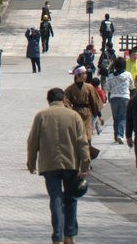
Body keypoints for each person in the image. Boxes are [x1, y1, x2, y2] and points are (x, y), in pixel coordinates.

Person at [27, 87, 91, 244]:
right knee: (70, 198)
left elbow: (32, 141)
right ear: (63, 100)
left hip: (50, 164)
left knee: (55, 199)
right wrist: (85, 163)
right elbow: (82, 141)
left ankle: (57, 236)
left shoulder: (41, 116)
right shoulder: (74, 116)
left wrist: (31, 162)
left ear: (49, 100)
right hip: (71, 163)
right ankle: (69, 235)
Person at [64, 66, 103, 159]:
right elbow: (65, 101)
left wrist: (98, 114)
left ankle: (87, 158)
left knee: (88, 137)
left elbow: (95, 101)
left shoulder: (89, 87)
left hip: (86, 114)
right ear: (77, 75)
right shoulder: (70, 89)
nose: (86, 75)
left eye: (86, 73)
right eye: (84, 74)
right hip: (75, 114)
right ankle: (81, 157)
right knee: (77, 137)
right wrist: (69, 111)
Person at [106, 57, 132, 145]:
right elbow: (132, 86)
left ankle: (116, 135)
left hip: (114, 98)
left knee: (115, 117)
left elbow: (107, 87)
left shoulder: (111, 76)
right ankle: (120, 135)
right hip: (125, 97)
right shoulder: (128, 74)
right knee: (123, 117)